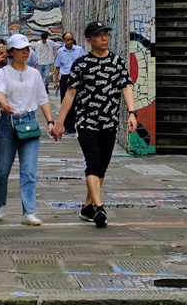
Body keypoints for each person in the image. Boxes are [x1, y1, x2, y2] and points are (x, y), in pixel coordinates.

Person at [50, 21, 137, 228]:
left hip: (110, 123)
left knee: (102, 168)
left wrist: (132, 113)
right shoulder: (81, 64)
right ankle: (99, 207)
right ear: (89, 40)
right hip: (87, 122)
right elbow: (70, 93)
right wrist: (60, 122)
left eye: (106, 34)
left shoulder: (117, 62)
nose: (104, 38)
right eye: (99, 35)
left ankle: (88, 207)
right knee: (93, 163)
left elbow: (126, 87)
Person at [0, 34, 53, 226]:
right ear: (11, 52)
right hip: (7, 123)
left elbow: (42, 98)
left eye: (27, 48)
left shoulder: (34, 74)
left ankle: (29, 212)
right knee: (2, 168)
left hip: (29, 123)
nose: (25, 52)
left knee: (29, 170)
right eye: (20, 49)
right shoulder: (3, 72)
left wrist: (50, 122)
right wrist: (4, 104)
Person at [54, 32, 84, 135]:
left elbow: (85, 64)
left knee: (77, 102)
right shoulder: (61, 52)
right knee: (65, 102)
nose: (70, 41)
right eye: (67, 40)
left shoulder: (79, 50)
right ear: (64, 41)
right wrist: (55, 81)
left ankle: (76, 125)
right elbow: (57, 67)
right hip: (65, 78)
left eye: (71, 39)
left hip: (78, 77)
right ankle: (68, 127)